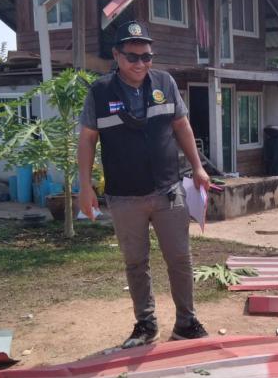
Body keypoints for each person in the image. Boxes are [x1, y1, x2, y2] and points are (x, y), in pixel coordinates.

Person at [77, 20, 211, 347]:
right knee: (136, 262)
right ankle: (145, 325)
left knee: (180, 259)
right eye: (132, 57)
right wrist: (85, 186)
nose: (140, 63)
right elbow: (87, 139)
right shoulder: (100, 92)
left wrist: (198, 167)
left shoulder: (165, 82)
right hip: (125, 196)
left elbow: (182, 126)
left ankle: (186, 322)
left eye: (147, 56)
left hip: (168, 191)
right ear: (116, 55)